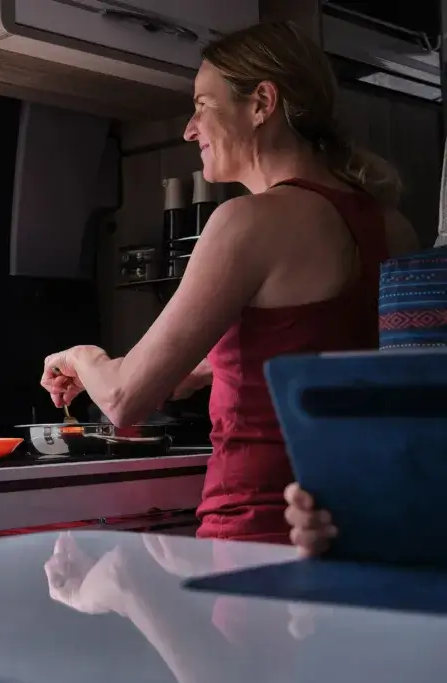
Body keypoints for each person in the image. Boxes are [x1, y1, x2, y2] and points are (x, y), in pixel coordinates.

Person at [40, 21, 419, 545]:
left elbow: (124, 398)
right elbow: (327, 353)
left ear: (262, 102)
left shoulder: (247, 222)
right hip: (357, 529)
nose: (189, 130)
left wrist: (84, 357)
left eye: (202, 105)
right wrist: (209, 369)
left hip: (256, 528)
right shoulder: (392, 224)